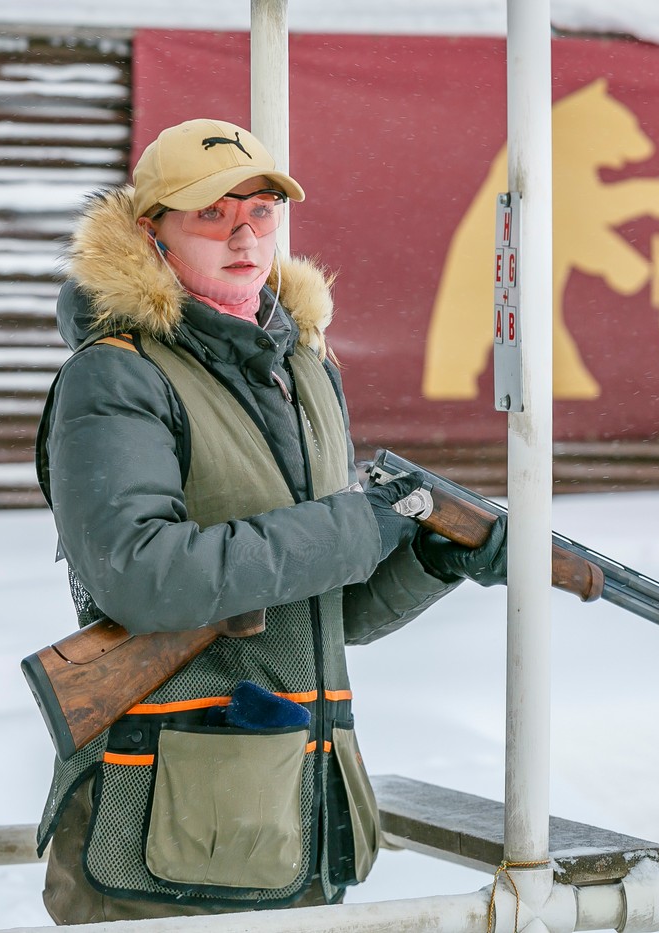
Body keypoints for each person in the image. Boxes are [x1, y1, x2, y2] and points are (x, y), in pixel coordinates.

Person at [33, 118, 508, 923]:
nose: (243, 233)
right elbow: (143, 576)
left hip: (293, 814)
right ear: (151, 233)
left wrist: (430, 558)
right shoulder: (115, 378)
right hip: (159, 831)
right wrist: (358, 527)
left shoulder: (305, 367)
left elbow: (326, 611)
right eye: (210, 213)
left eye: (260, 210)